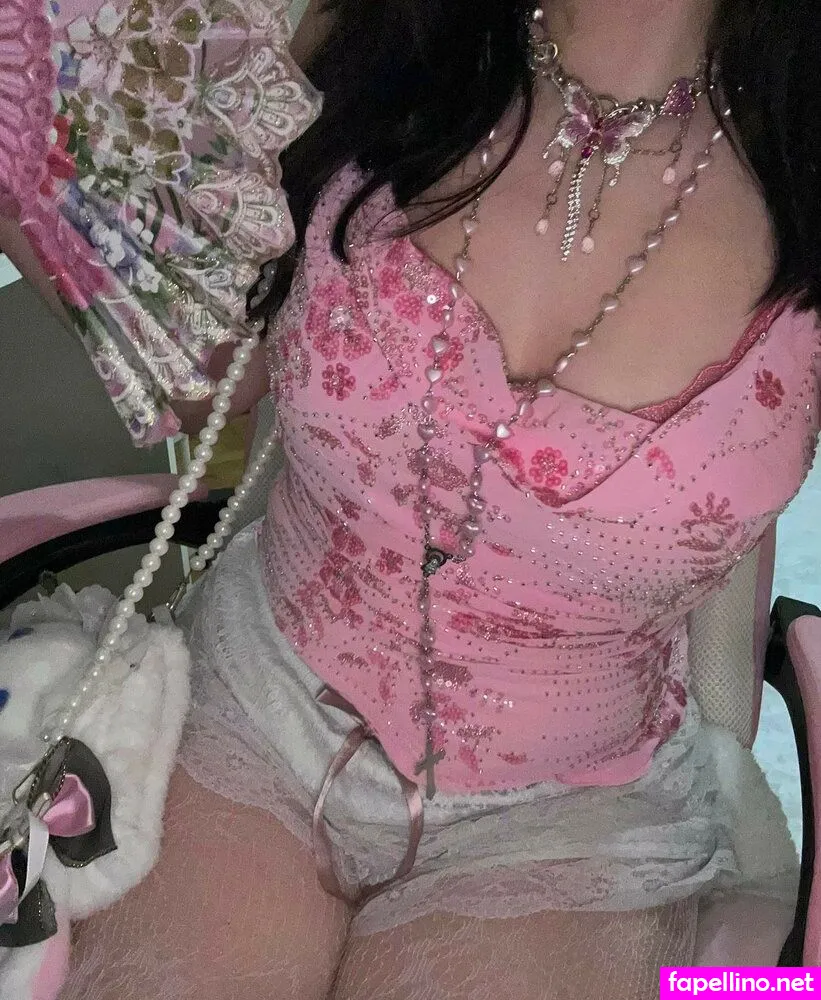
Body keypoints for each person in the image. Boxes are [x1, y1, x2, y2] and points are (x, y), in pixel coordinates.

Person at [2, 0, 820, 996]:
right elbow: (212, 371)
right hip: (251, 707)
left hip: (571, 817)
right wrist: (27, 180)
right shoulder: (375, 39)